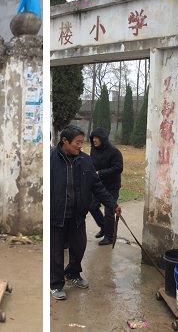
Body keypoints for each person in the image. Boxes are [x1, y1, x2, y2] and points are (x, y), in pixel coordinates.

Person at [50, 125, 121, 300]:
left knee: (79, 246)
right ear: (65, 141)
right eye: (77, 142)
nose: (80, 146)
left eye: (82, 142)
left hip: (77, 215)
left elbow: (97, 186)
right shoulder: (51, 158)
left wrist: (112, 204)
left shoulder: (85, 160)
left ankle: (73, 274)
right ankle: (56, 284)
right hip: (56, 214)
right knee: (56, 251)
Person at [88, 127, 124, 246]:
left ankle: (109, 237)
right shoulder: (93, 150)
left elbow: (118, 168)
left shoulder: (114, 152)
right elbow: (91, 163)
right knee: (92, 206)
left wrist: (101, 173)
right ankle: (103, 227)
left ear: (103, 139)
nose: (94, 140)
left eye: (97, 138)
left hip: (112, 185)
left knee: (109, 211)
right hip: (98, 184)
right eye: (93, 138)